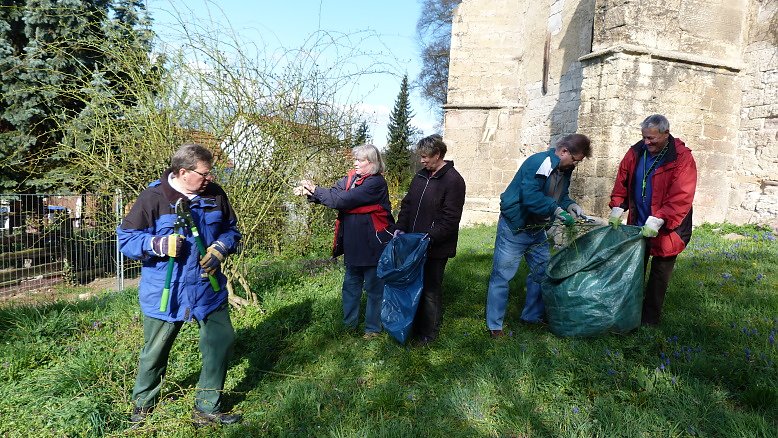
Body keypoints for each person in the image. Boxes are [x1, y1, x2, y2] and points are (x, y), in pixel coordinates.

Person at [117, 143, 242, 428]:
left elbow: (231, 229)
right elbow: (126, 240)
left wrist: (221, 248)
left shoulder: (214, 194)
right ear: (183, 172)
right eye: (205, 174)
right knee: (156, 351)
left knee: (221, 340)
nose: (210, 179)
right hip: (166, 290)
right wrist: (158, 244)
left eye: (211, 174)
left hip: (206, 287)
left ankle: (207, 406)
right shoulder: (153, 198)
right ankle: (142, 407)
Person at [485, 134, 592, 338]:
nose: (576, 164)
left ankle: (531, 316)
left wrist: (570, 206)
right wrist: (556, 211)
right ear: (564, 152)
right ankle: (495, 325)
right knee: (502, 276)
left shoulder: (564, 169)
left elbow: (561, 195)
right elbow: (530, 197)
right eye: (576, 159)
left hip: (537, 228)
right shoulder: (540, 162)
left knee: (542, 273)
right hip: (515, 227)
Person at [296, 144, 394, 339]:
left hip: (373, 245)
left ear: (372, 163)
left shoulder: (375, 183)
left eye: (360, 160)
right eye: (355, 159)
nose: (355, 163)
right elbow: (333, 194)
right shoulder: (351, 178)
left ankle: (373, 329)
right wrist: (310, 192)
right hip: (353, 244)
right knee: (350, 287)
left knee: (375, 289)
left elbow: (343, 200)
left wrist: (316, 190)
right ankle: (349, 326)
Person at [608, 114, 697, 326]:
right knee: (635, 270)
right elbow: (623, 180)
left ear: (666, 134)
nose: (647, 143)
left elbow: (681, 196)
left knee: (659, 275)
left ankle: (649, 320)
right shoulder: (636, 151)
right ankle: (629, 313)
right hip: (639, 222)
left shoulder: (681, 157)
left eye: (652, 139)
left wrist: (659, 219)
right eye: (644, 137)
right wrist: (617, 207)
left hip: (669, 229)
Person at [394, 134, 466, 345]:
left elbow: (450, 219)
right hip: (413, 244)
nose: (422, 161)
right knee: (412, 286)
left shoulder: (453, 181)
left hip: (435, 247)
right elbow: (407, 205)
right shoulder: (420, 176)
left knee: (430, 290)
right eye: (421, 157)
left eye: (425, 157)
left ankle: (428, 335)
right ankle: (411, 327)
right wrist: (400, 228)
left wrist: (429, 237)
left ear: (438, 154)